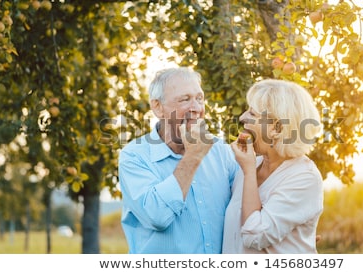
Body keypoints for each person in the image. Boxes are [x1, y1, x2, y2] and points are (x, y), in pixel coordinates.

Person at [118, 67, 239, 254]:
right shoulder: (134, 157)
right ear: (157, 107)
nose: (197, 108)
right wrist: (193, 157)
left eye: (199, 98)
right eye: (185, 99)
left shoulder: (221, 152)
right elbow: (156, 216)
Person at [222, 79, 324, 254]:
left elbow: (254, 237)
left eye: (252, 114)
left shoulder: (305, 177)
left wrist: (248, 171)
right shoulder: (253, 164)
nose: (242, 117)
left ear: (276, 128)